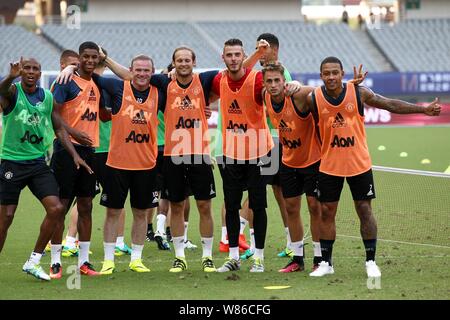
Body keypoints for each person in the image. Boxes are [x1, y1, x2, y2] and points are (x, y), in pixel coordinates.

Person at [307, 56, 441, 278]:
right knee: (326, 212)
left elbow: (389, 104)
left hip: (359, 163)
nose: (331, 77)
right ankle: (326, 263)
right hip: (329, 165)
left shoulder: (359, 92)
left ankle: (370, 261)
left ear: (342, 74)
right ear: (321, 76)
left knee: (364, 210)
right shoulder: (314, 98)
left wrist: (423, 109)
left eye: (335, 72)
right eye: (326, 73)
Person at [57, 53, 165, 274]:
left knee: (141, 213)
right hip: (117, 163)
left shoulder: (159, 93)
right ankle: (108, 260)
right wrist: (70, 68)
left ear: (152, 72)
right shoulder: (117, 88)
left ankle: (136, 259)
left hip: (146, 164)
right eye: (138, 69)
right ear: (130, 70)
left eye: (146, 70)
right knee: (113, 211)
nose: (142, 74)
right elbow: (88, 72)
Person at [213, 38, 301, 273]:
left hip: (259, 153)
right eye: (229, 55)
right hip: (230, 153)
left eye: (237, 55)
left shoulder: (257, 79)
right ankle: (233, 257)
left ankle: (258, 258)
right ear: (223, 57)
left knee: (258, 206)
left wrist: (296, 85)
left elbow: (276, 89)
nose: (233, 58)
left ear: (244, 57)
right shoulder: (218, 79)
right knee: (231, 206)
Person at [0, 57, 91, 281]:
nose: (31, 72)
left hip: (38, 163)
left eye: (35, 69)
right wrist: (11, 76)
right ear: (22, 71)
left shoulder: (47, 97)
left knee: (56, 208)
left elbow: (59, 128)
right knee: (6, 217)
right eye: (27, 68)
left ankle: (33, 261)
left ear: (40, 73)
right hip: (12, 162)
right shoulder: (12, 93)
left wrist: (75, 155)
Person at [50, 42, 107, 278]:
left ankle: (84, 261)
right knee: (60, 207)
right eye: (86, 57)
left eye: (94, 57)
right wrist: (73, 136)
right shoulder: (66, 81)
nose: (90, 60)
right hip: (66, 149)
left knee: (86, 205)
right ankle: (55, 261)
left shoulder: (97, 83)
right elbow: (52, 113)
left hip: (89, 150)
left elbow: (104, 114)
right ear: (79, 58)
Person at [262, 62, 322, 272]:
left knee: (315, 208)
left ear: (284, 80)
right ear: (264, 83)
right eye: (269, 81)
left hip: (312, 161)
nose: (273, 85)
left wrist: (298, 83)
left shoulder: (297, 95)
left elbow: (321, 92)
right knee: (291, 209)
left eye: (277, 80)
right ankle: (297, 258)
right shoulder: (265, 96)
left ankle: (319, 258)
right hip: (288, 161)